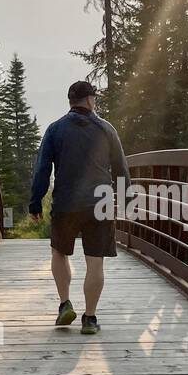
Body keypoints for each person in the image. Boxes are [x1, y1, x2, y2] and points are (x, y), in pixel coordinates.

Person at [28, 80, 131, 334]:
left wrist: (35, 201)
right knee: (95, 263)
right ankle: (90, 318)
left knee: (59, 253)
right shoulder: (107, 129)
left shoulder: (54, 130)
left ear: (71, 101)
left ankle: (64, 304)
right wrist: (127, 201)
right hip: (101, 203)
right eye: (94, 98)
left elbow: (42, 169)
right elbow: (120, 169)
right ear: (89, 100)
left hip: (66, 203)